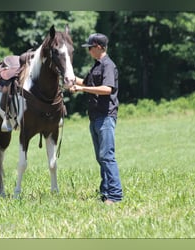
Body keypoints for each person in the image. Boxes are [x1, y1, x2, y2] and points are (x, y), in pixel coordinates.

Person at [70, 33, 123, 205]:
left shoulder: (108, 66)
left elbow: (107, 89)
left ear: (99, 47)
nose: (89, 51)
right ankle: (105, 192)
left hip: (106, 116)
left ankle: (115, 196)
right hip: (95, 117)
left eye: (90, 48)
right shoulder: (96, 66)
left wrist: (81, 89)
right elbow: (86, 83)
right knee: (101, 158)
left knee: (107, 156)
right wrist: (69, 80)